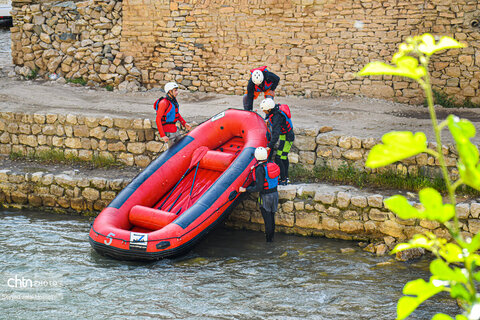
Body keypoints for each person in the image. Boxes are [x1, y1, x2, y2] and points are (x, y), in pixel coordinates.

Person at [239, 147, 280, 242]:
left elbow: (258, 187)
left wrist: (245, 189)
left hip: (265, 197)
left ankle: (268, 241)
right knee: (272, 217)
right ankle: (272, 239)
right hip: (275, 194)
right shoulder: (272, 163)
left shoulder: (259, 169)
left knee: (267, 220)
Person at [260, 98, 295, 185]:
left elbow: (275, 134)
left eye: (264, 110)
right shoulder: (275, 110)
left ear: (269, 109)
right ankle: (286, 177)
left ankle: (284, 179)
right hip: (284, 136)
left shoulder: (277, 117)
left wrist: (269, 146)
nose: (264, 111)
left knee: (279, 158)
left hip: (288, 137)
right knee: (283, 157)